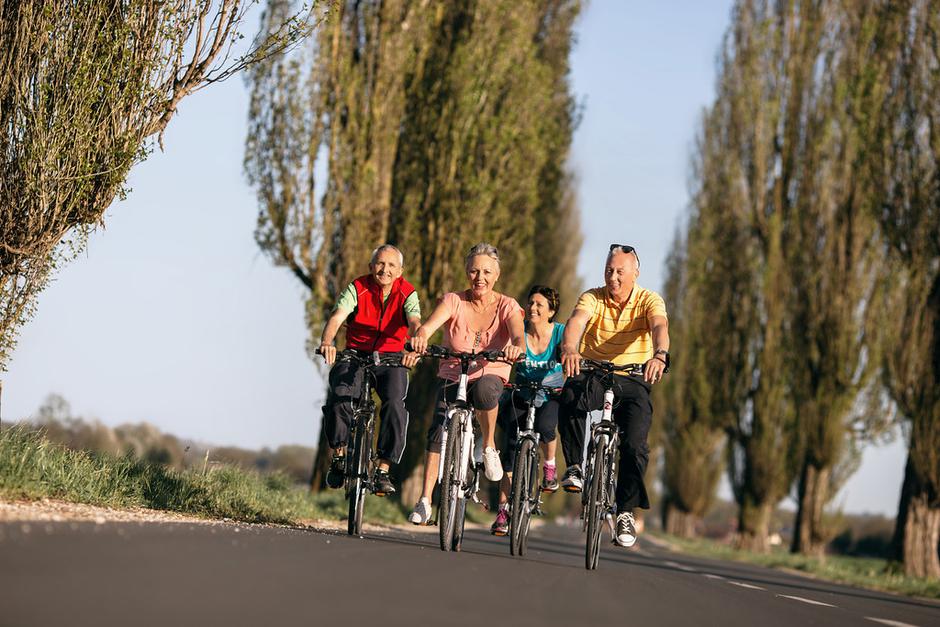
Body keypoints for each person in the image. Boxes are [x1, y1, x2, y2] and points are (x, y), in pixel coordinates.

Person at [557, 244, 670, 548]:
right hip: (595, 372)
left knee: (635, 446)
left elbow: (660, 326)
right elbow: (577, 322)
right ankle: (576, 467)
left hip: (634, 378)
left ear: (635, 273)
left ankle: (625, 511)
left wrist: (659, 355)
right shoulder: (592, 297)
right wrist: (570, 348)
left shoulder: (649, 300)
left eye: (620, 271)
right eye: (609, 270)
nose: (614, 277)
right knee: (569, 395)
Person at [406, 243, 525, 525]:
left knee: (485, 392)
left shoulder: (507, 305)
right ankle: (425, 500)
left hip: (490, 370)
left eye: (485, 271)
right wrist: (421, 335)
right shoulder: (453, 300)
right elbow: (430, 325)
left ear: (496, 275)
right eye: (473, 271)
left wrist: (517, 346)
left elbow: (518, 334)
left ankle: (488, 447)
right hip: (453, 371)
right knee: (437, 429)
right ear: (466, 273)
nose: (479, 277)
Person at [317, 244, 421, 497]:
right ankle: (339, 456)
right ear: (371, 267)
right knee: (340, 396)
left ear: (400, 271)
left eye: (391, 266)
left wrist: (416, 344)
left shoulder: (407, 292)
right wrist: (327, 343)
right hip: (355, 353)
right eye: (380, 264)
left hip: (391, 357)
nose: (385, 270)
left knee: (396, 404)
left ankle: (383, 469)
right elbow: (337, 317)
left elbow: (415, 321)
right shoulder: (357, 288)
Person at [490, 285, 565, 536]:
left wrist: (571, 356)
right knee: (510, 452)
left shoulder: (560, 333)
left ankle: (550, 466)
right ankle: (503, 510)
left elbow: (572, 351)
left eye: (539, 305)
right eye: (530, 303)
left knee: (545, 427)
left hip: (551, 395)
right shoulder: (519, 330)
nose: (532, 308)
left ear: (551, 311)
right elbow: (503, 348)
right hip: (521, 392)